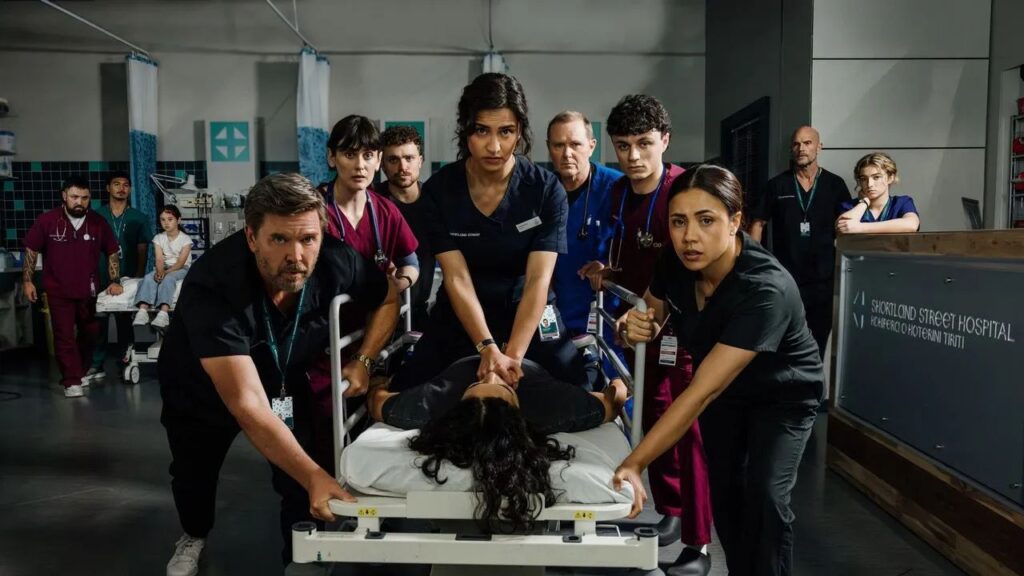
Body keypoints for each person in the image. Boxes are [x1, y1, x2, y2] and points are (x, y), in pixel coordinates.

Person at [157, 173, 398, 575]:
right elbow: (246, 403)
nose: (296, 256)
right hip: (201, 387)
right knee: (193, 475)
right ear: (252, 237)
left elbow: (388, 295)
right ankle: (193, 533)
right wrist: (316, 475)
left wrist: (365, 359)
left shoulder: (335, 260)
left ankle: (300, 558)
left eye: (308, 239)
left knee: (299, 475)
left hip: (282, 377)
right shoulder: (215, 283)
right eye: (279, 239)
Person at [613, 165, 823, 576]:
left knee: (766, 496)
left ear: (735, 221)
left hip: (782, 396)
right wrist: (631, 327)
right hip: (727, 396)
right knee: (726, 495)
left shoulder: (766, 288)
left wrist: (635, 462)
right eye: (678, 222)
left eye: (706, 220)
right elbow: (649, 314)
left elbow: (700, 392)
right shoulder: (675, 262)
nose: (689, 236)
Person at [580, 95, 713, 563]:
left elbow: (698, 268)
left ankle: (699, 541)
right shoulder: (619, 193)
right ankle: (672, 508)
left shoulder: (685, 194)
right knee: (655, 417)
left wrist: (652, 316)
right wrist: (608, 271)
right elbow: (630, 253)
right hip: (638, 328)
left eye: (644, 143)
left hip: (681, 330)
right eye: (623, 146)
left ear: (665, 141)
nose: (633, 156)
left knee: (687, 429)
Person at [390, 73, 585, 392]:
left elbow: (538, 279)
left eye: (506, 131)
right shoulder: (440, 191)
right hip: (462, 309)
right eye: (482, 130)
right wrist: (487, 347)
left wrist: (513, 357)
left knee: (581, 391)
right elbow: (456, 277)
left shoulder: (545, 190)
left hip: (530, 309)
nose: (494, 146)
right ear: (466, 130)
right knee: (404, 394)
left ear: (519, 132)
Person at [368, 357, 627, 532]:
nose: (492, 374)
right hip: (535, 351)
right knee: (581, 367)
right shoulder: (553, 407)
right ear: (518, 412)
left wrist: (379, 379)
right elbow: (613, 400)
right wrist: (618, 383)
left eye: (478, 385)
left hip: (457, 347)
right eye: (504, 388)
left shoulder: (432, 404)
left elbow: (377, 401)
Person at [749, 126, 851, 359]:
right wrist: (755, 265)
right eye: (796, 144)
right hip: (786, 280)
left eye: (807, 143)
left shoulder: (835, 184)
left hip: (824, 282)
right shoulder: (777, 185)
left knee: (817, 345)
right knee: (784, 344)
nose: (801, 148)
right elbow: (758, 224)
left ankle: (812, 382)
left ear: (819, 147)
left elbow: (847, 226)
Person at [22, 175, 122, 398]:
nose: (80, 202)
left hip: (89, 290)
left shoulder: (97, 222)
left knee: (91, 332)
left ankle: (80, 370)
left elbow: (112, 251)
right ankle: (71, 380)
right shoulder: (47, 220)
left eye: (85, 198)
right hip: (58, 290)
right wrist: (27, 281)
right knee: (64, 335)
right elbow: (31, 250)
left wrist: (115, 280)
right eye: (75, 197)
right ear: (64, 196)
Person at [319, 115, 420, 293]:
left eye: (368, 155)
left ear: (378, 160)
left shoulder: (387, 212)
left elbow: (411, 264)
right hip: (325, 309)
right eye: (349, 155)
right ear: (331, 157)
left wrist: (398, 284)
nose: (360, 165)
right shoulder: (313, 209)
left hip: (378, 308)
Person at [545, 111, 623, 339]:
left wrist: (609, 266)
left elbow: (635, 249)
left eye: (575, 144)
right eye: (558, 145)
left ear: (591, 146)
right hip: (553, 310)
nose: (567, 154)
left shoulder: (617, 188)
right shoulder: (542, 191)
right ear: (549, 147)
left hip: (603, 311)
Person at [88, 171, 153, 380]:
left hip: (128, 276)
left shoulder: (139, 217)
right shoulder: (96, 216)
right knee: (99, 322)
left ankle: (126, 360)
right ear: (108, 188)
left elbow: (143, 249)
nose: (121, 188)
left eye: (125, 185)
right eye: (116, 184)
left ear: (130, 189)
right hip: (100, 274)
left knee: (125, 322)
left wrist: (138, 276)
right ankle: (96, 364)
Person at [380, 125, 435, 330]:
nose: (402, 167)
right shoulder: (373, 203)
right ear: (382, 164)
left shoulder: (435, 203)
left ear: (420, 160)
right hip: (380, 309)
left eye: (409, 158)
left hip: (420, 311)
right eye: (393, 159)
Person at [133, 205, 191, 328]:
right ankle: (143, 311)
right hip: (164, 267)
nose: (166, 223)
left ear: (178, 220)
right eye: (163, 219)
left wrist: (166, 273)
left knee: (168, 279)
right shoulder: (158, 238)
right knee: (149, 278)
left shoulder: (185, 239)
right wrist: (159, 271)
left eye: (170, 219)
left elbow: (181, 262)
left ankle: (163, 313)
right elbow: (159, 259)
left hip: (181, 268)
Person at [836, 152, 920, 234]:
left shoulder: (901, 203)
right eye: (864, 179)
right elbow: (843, 227)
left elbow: (911, 225)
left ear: (890, 178)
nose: (869, 184)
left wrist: (859, 227)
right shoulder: (850, 206)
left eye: (876, 177)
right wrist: (864, 203)